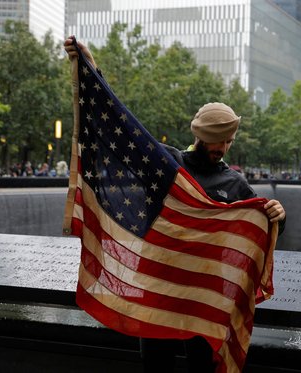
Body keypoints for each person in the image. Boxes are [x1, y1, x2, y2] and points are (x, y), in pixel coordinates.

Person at [64, 37, 286, 372]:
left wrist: (279, 217)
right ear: (199, 133)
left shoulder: (235, 184)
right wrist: (93, 72)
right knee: (156, 366)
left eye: (228, 140)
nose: (222, 147)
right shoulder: (168, 166)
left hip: (203, 299)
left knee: (201, 366)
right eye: (216, 138)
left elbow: (262, 229)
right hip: (157, 289)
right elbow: (121, 130)